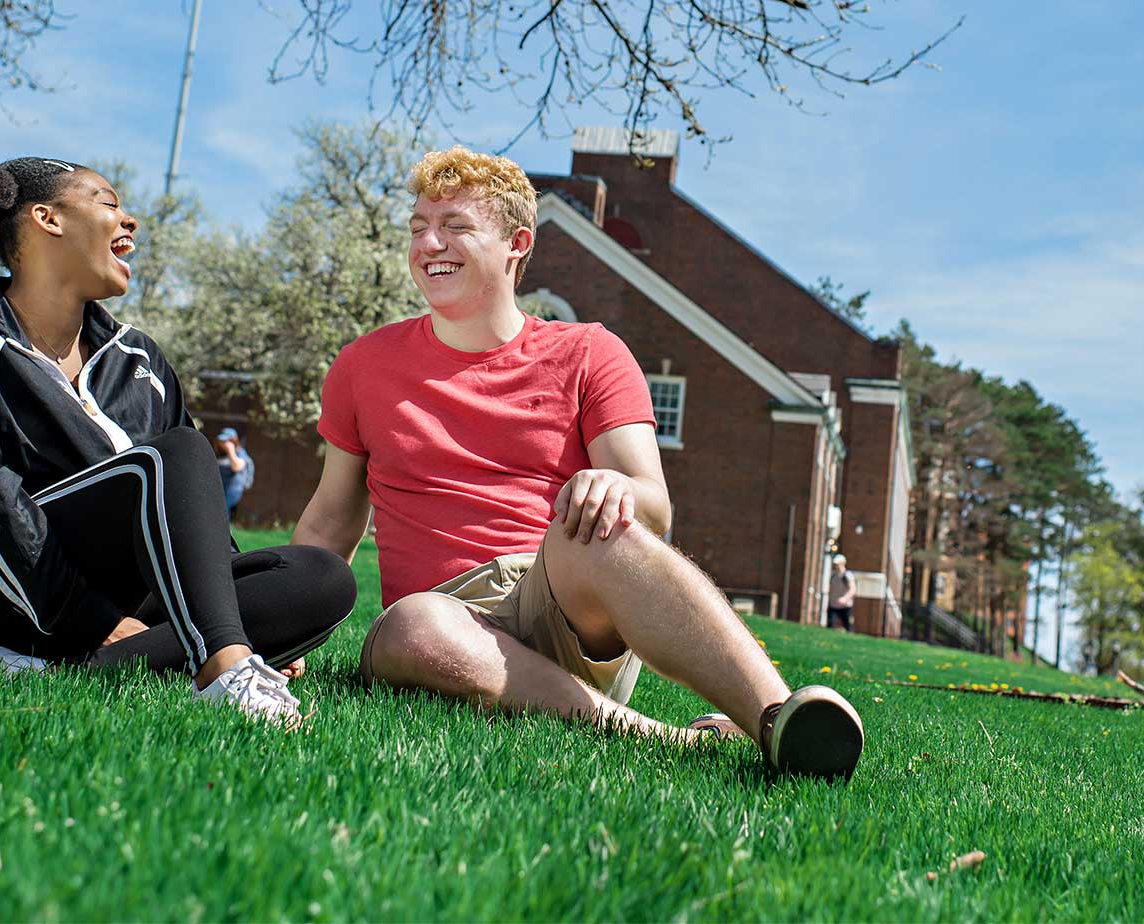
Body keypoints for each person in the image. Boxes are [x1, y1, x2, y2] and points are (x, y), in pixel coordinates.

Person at [291, 147, 866, 778]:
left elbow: (654, 507)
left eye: (455, 226)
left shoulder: (591, 352)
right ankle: (661, 739)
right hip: (441, 626)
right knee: (412, 624)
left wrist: (614, 486)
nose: (430, 243)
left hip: (558, 598)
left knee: (606, 525)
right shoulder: (363, 367)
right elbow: (331, 522)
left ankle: (779, 719)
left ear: (516, 243)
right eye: (419, 227)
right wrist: (283, 632)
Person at [0, 156, 356, 724]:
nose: (130, 222)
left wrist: (217, 608)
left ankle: (40, 672)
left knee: (322, 580)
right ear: (46, 218)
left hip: (115, 592)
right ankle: (224, 669)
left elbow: (189, 514)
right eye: (108, 203)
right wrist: (94, 618)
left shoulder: (140, 358)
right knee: (175, 454)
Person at [216, 427, 255, 516]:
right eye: (221, 441)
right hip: (220, 489)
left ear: (233, 441)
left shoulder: (240, 453)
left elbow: (237, 467)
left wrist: (230, 451)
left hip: (232, 490)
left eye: (226, 441)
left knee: (223, 514)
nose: (223, 444)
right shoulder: (220, 454)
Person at [826, 554, 855, 631]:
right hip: (833, 605)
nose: (836, 566)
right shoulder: (833, 575)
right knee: (830, 625)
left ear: (843, 563)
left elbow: (852, 589)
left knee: (848, 626)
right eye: (835, 564)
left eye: (837, 564)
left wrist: (845, 598)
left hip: (845, 606)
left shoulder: (847, 575)